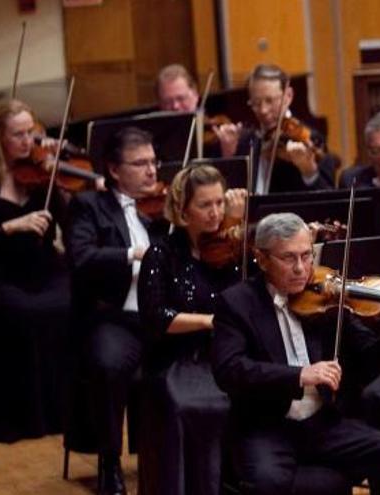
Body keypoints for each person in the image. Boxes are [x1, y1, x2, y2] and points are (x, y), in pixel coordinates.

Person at [211, 212, 380, 495]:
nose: (301, 269)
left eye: (307, 256)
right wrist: (299, 375)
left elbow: (371, 359)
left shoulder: (327, 297)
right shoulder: (236, 303)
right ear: (262, 258)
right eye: (289, 258)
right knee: (268, 483)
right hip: (266, 427)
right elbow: (229, 370)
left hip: (322, 424)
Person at [65, 126, 169, 495]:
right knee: (109, 366)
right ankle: (110, 461)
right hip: (115, 318)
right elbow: (82, 257)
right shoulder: (89, 206)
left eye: (154, 162)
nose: (152, 171)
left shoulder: (162, 210)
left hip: (162, 318)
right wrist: (132, 253)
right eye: (140, 163)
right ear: (113, 169)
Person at [136, 165, 246, 495]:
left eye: (219, 203)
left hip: (225, 353)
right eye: (205, 205)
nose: (215, 213)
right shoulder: (161, 254)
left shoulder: (233, 249)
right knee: (191, 405)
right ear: (184, 210)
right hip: (178, 359)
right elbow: (156, 317)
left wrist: (238, 224)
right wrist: (211, 321)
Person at [0, 99, 70, 442]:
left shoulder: (40, 171)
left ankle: (62, 413)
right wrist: (9, 227)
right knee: (22, 310)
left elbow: (71, 223)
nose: (27, 141)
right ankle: (21, 418)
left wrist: (59, 179)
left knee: (69, 301)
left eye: (31, 132)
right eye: (18, 134)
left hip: (44, 269)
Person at [237, 64, 335, 193]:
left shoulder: (311, 138)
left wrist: (309, 172)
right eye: (256, 102)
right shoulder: (246, 141)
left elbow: (328, 198)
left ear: (288, 96)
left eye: (270, 101)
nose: (263, 110)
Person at [155, 64, 241, 159]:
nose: (175, 106)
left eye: (181, 98)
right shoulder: (157, 140)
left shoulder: (216, 136)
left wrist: (228, 153)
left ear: (195, 95)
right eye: (167, 101)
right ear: (160, 104)